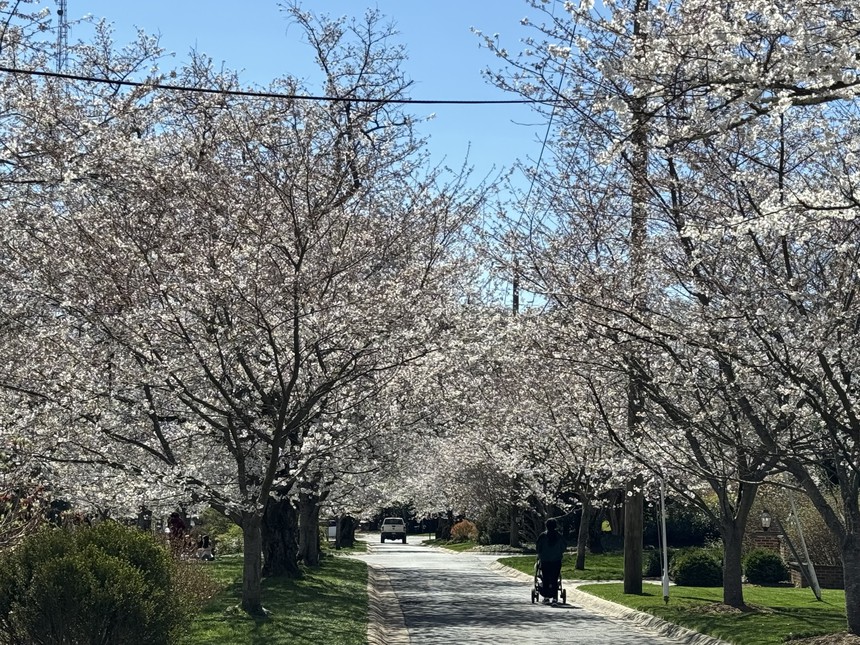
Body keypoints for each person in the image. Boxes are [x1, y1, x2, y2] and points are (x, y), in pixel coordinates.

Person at [536, 517, 566, 603]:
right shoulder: (559, 536)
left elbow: (538, 548)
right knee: (554, 578)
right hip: (556, 561)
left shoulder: (542, 536)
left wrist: (541, 554)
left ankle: (546, 597)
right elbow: (564, 547)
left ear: (546, 526)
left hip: (545, 560)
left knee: (545, 578)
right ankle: (554, 597)